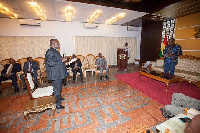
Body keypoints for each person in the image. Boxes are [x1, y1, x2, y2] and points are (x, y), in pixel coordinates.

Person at [45, 39, 68, 109]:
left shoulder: (54, 51)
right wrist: (62, 60)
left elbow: (57, 62)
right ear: (53, 44)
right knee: (57, 88)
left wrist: (64, 63)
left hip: (58, 73)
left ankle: (59, 98)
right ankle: (57, 104)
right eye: (58, 44)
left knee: (59, 87)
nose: (59, 45)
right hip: (55, 74)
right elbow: (51, 63)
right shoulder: (50, 52)